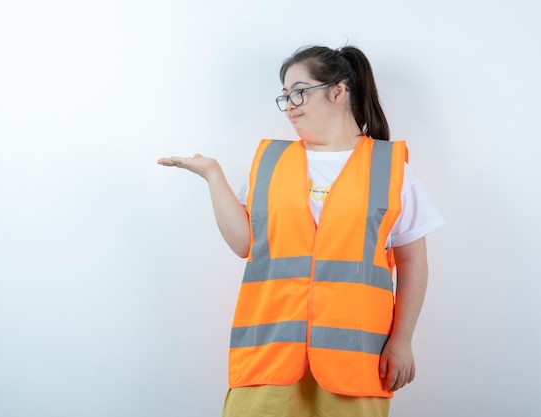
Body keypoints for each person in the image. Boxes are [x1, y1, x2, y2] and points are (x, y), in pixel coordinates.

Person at [158, 45, 444, 417]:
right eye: (284, 96)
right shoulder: (271, 163)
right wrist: (213, 175)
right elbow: (244, 243)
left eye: (299, 91)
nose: (290, 104)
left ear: (338, 91)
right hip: (270, 357)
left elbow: (413, 264)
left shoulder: (390, 169)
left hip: (355, 362)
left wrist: (402, 341)